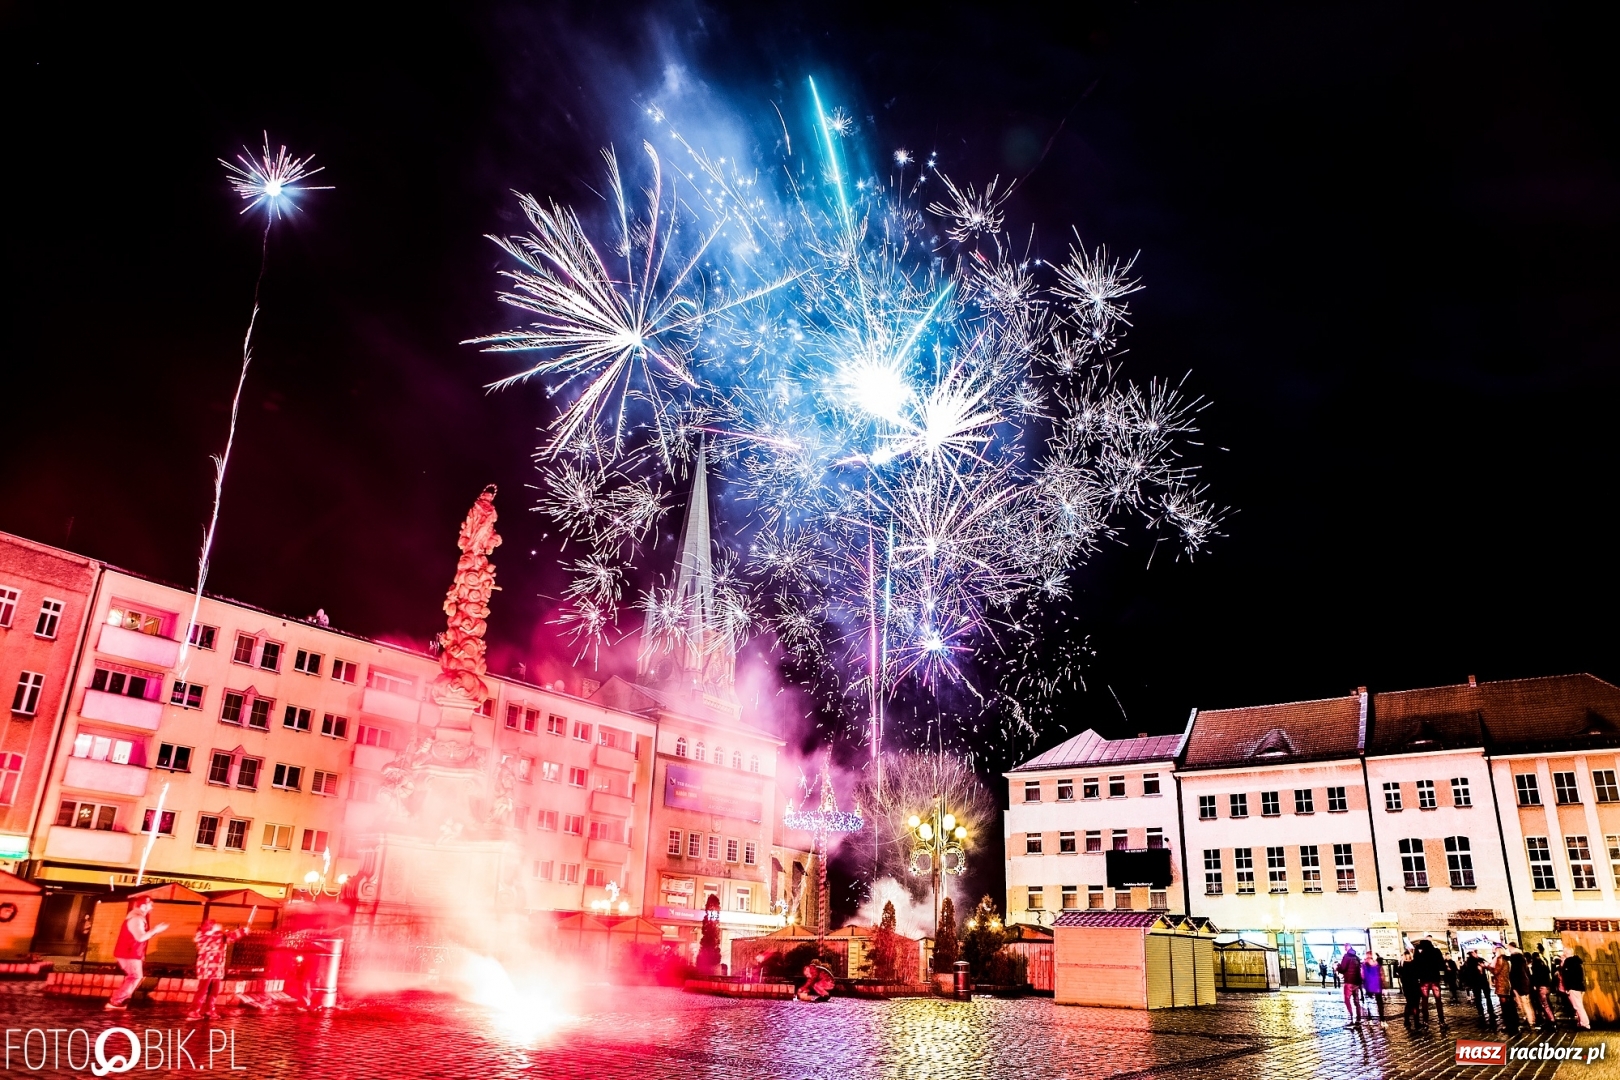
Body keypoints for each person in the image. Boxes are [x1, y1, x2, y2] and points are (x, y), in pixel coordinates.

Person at [106, 896, 169, 1010]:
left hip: (129, 952)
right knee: (135, 977)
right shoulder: (137, 919)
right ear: (143, 906)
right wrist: (155, 930)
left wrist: (154, 931)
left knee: (134, 977)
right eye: (151, 905)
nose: (152, 907)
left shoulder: (136, 917)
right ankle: (115, 1001)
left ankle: (118, 1000)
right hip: (130, 953)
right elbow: (140, 937)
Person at [187, 919, 251, 1021]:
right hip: (206, 969)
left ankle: (210, 1010)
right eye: (213, 925)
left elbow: (230, 937)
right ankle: (193, 1011)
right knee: (202, 990)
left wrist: (243, 931)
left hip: (216, 969)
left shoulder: (217, 936)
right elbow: (210, 943)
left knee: (214, 991)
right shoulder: (201, 937)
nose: (217, 926)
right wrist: (215, 933)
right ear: (208, 927)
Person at [1414, 939, 1448, 1032]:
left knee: (1424, 1001)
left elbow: (1415, 965)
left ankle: (1425, 1022)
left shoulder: (1419, 952)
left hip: (1423, 980)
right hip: (1434, 978)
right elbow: (1441, 964)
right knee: (1438, 1001)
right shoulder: (1436, 951)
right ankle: (1441, 1021)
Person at [1463, 949, 1496, 1029]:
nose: (1476, 953)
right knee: (1478, 998)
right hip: (1476, 981)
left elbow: (1487, 966)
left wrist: (1485, 966)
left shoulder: (1480, 959)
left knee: (1487, 997)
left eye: (1476, 952)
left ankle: (1490, 1011)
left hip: (1483, 980)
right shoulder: (1469, 962)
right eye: (1474, 952)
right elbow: (1467, 972)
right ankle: (1481, 1012)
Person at [1529, 945, 1558, 1030]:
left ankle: (1551, 1021)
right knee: (1547, 1003)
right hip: (1547, 985)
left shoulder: (1536, 965)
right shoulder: (1544, 962)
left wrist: (1535, 985)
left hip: (1541, 986)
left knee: (1544, 1004)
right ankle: (1550, 1019)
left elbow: (1535, 976)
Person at [1492, 946, 1520, 1035]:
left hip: (1502, 985)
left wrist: (1487, 967)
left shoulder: (1500, 960)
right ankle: (1513, 1024)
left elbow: (1495, 971)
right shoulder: (1507, 960)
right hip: (1507, 984)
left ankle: (1510, 1025)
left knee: (1505, 1006)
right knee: (1509, 1005)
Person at [1508, 943, 1535, 1029]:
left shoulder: (1516, 967)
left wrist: (1514, 987)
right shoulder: (1524, 963)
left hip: (1520, 986)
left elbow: (1514, 976)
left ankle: (1530, 1021)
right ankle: (1531, 1020)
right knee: (1527, 1003)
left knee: (1524, 1004)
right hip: (1525, 985)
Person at [1561, 951, 1591, 1030]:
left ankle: (1585, 1024)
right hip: (1579, 987)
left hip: (1573, 988)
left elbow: (1566, 976)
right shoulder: (1577, 963)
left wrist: (1567, 988)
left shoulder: (1568, 962)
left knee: (1578, 1007)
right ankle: (1581, 1022)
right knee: (1579, 1006)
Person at [1336, 947, 1364, 1024]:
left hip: (1349, 981)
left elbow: (1342, 969)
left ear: (1346, 948)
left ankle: (1351, 1017)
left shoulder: (1346, 957)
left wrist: (1338, 967)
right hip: (1356, 982)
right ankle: (1358, 1018)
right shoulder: (1357, 957)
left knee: (1347, 1000)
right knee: (1356, 1001)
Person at [1398, 950, 1423, 1030]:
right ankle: (1416, 1022)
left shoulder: (1402, 965)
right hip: (1414, 986)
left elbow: (1399, 974)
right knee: (1415, 1005)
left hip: (1407, 987)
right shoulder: (1414, 964)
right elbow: (1418, 974)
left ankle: (1407, 1021)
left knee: (1409, 1004)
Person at [1361, 952, 1385, 1022]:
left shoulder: (1364, 965)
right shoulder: (1377, 965)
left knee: (1369, 1003)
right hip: (1377, 986)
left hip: (1369, 986)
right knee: (1379, 1003)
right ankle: (1382, 1019)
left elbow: (1362, 976)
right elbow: (1382, 976)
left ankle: (1370, 1019)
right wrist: (1383, 987)